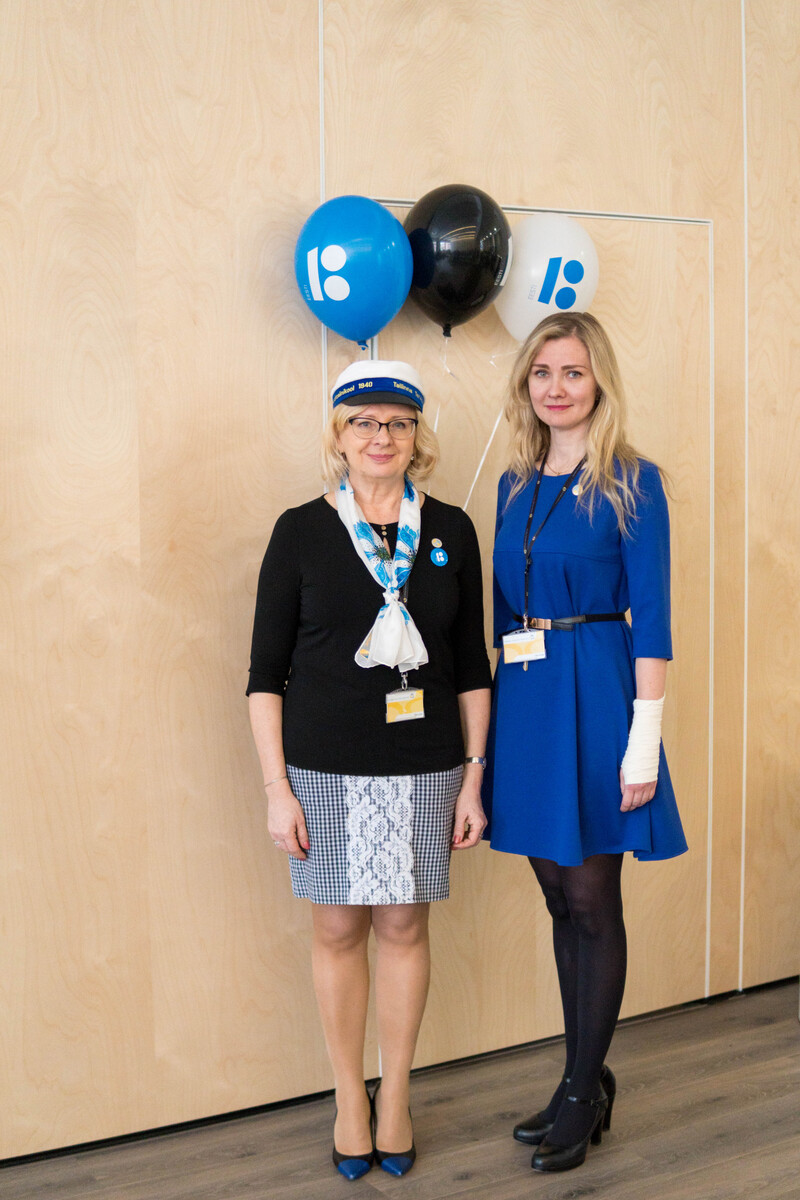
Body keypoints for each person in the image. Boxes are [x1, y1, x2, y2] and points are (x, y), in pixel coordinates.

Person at [247, 360, 492, 1180]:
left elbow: (471, 668)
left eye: (398, 422)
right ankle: (350, 1099)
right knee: (337, 930)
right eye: (364, 422)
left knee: (404, 928)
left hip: (426, 765)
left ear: (417, 435)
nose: (381, 436)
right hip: (322, 768)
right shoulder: (300, 530)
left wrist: (474, 776)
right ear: (340, 435)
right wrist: (277, 791)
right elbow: (264, 676)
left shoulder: (451, 530)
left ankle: (397, 1099)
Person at [483, 312, 687, 1174]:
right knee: (558, 899)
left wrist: (644, 740)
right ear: (526, 385)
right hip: (528, 700)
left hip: (601, 691)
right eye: (542, 373)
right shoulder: (512, 485)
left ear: (598, 379)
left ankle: (580, 1090)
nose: (556, 388)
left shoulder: (634, 482)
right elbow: (501, 615)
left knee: (594, 899)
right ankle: (584, 1076)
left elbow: (654, 622)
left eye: (572, 372)